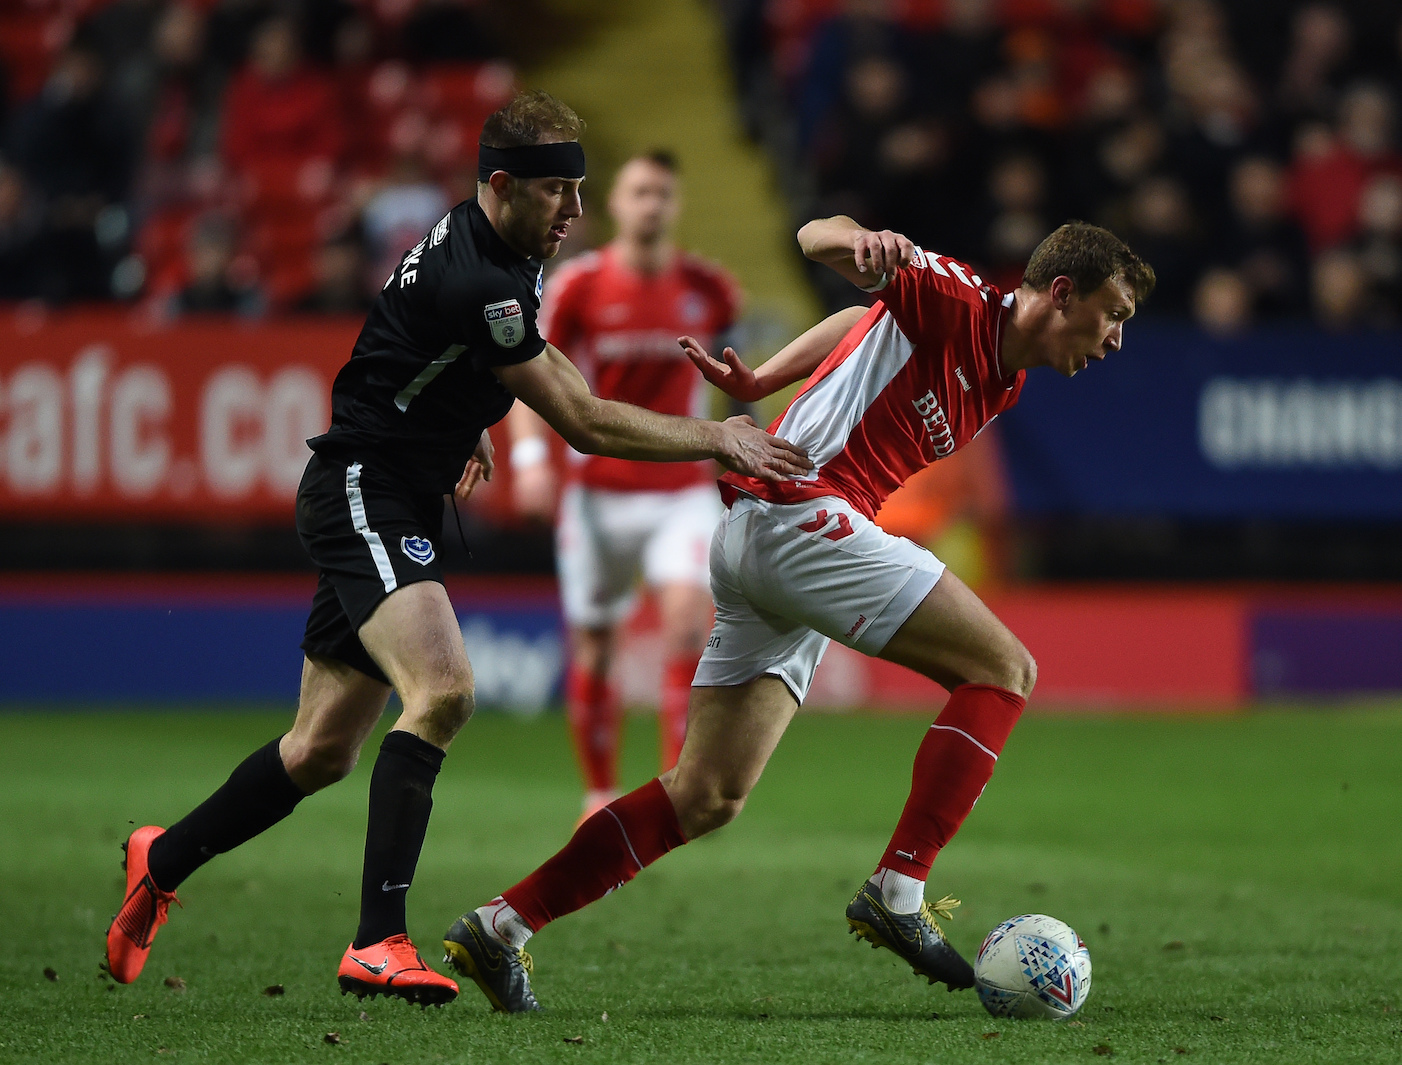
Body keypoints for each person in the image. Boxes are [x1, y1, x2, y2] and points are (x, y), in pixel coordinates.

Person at [104, 90, 809, 1007]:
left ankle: (161, 859)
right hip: (365, 488)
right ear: (502, 184)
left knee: (319, 749)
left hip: (394, 482)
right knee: (443, 691)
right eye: (556, 191)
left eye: (580, 190)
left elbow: (430, 348)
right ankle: (377, 941)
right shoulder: (484, 279)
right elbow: (583, 418)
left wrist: (460, 415)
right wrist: (718, 437)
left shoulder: (495, 245)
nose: (575, 211)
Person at [442, 216, 1154, 1013]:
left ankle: (500, 926)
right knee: (1005, 668)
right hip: (802, 512)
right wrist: (863, 240)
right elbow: (818, 238)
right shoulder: (957, 298)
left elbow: (864, 320)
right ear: (1063, 293)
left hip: (766, 534)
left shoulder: (1004, 378)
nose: (1116, 339)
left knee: (707, 793)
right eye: (1114, 314)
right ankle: (899, 888)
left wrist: (763, 380)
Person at [508, 150, 742, 820]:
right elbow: (528, 374)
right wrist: (530, 460)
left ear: (676, 204)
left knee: (686, 624)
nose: (651, 205)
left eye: (662, 193)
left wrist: (738, 440)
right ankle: (599, 792)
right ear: (616, 203)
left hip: (682, 488)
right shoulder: (578, 286)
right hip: (598, 493)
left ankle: (674, 790)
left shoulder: (710, 287)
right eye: (640, 192)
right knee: (596, 643)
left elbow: (734, 376)